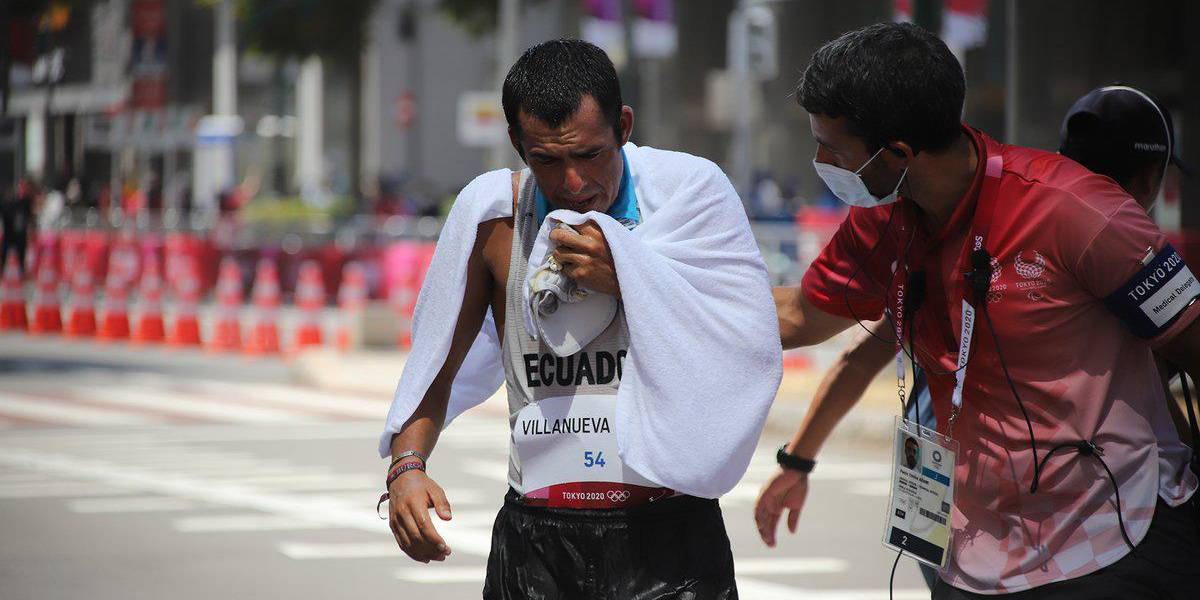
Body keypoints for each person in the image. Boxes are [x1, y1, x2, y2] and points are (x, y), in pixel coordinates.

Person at [760, 22, 1200, 599]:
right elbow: (798, 317)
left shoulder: (1075, 212)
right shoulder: (882, 221)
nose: (820, 160)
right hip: (970, 555)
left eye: (833, 148)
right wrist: (644, 297)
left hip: (1111, 544)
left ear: (897, 153)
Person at [378, 39, 781, 599]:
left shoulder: (690, 198)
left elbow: (744, 342)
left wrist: (632, 280)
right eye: (546, 160)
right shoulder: (493, 219)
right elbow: (435, 364)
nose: (573, 183)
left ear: (623, 125)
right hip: (538, 539)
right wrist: (406, 468)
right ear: (518, 145)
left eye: (590, 154)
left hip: (669, 533)